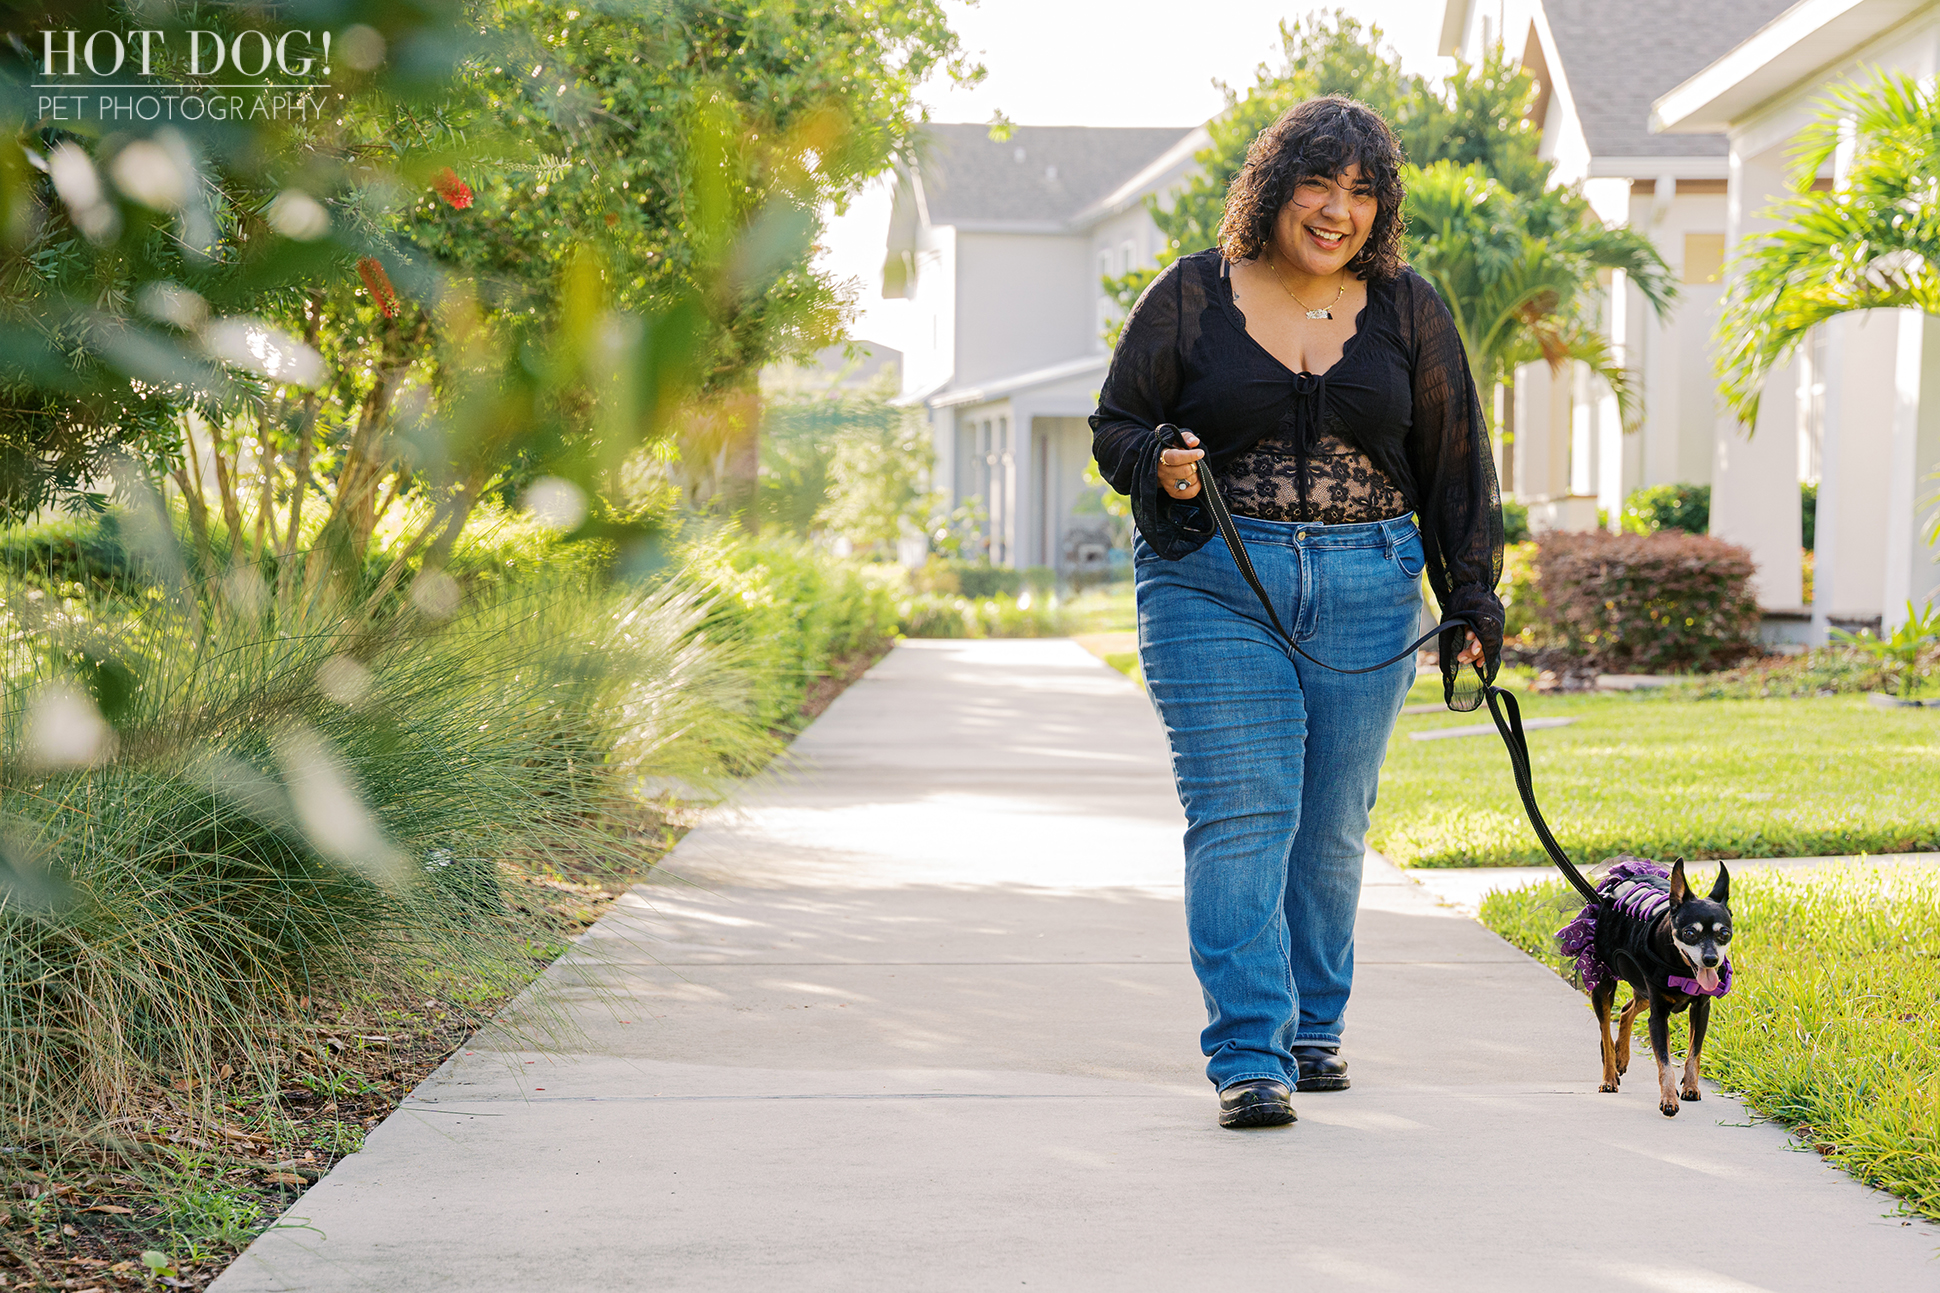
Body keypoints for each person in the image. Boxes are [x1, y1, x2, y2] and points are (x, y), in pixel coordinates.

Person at [1090, 95, 1504, 1130]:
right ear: (1273, 189)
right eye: (1318, 184)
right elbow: (1115, 426)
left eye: (1361, 192)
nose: (1337, 210)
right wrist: (1161, 466)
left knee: (1328, 829)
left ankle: (1312, 1027)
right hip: (1211, 584)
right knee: (1241, 816)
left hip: (1368, 584)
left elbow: (1454, 463)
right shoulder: (1190, 296)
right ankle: (1247, 1054)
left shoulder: (1407, 309)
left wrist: (1469, 597)